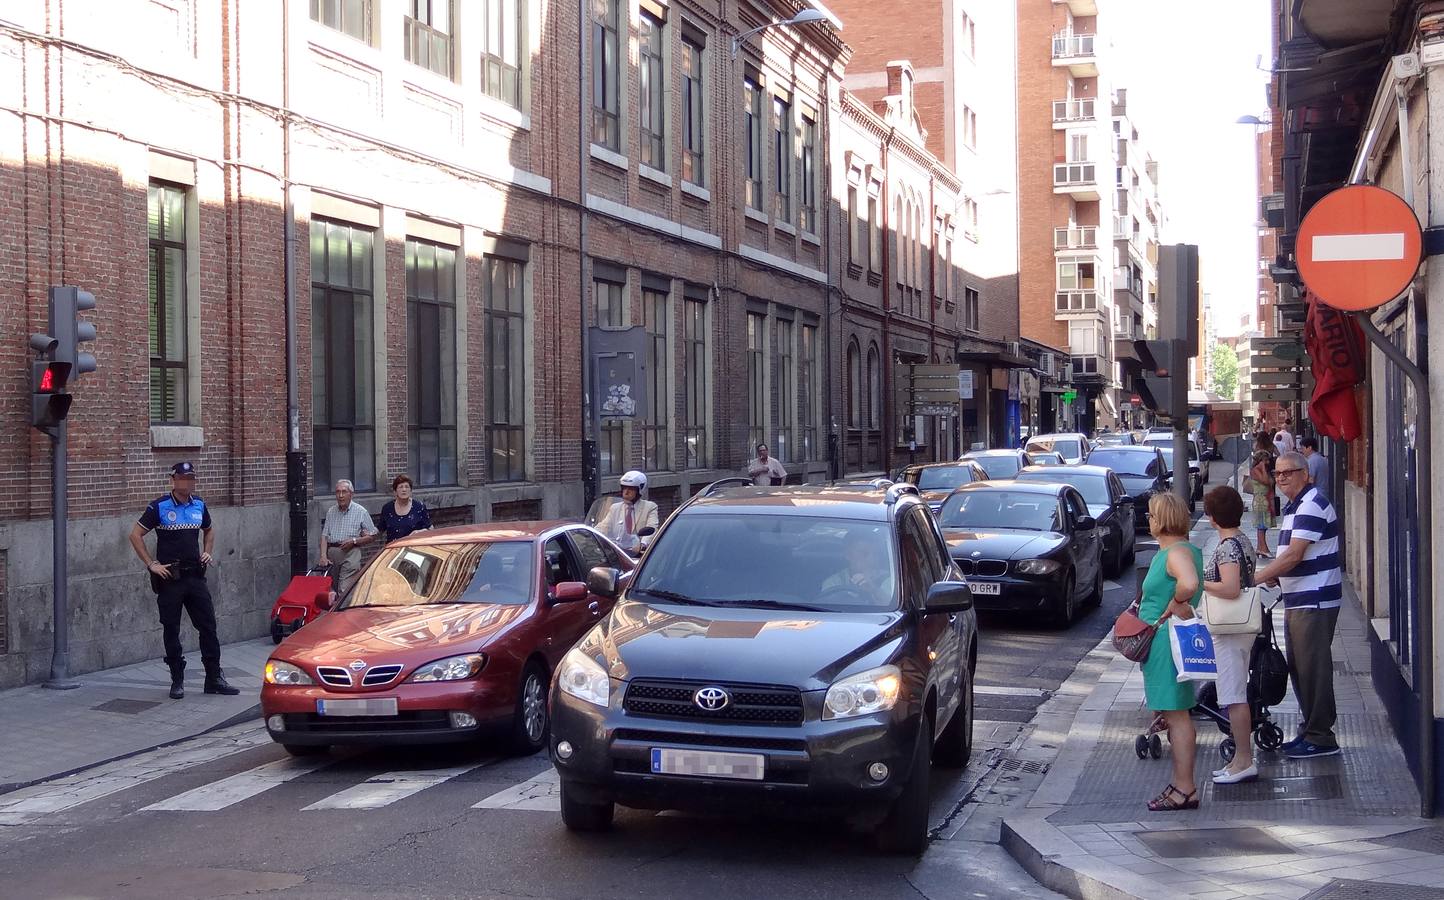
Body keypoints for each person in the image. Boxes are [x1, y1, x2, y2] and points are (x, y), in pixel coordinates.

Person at [1256, 451, 1343, 760]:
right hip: (1300, 599)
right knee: (1300, 668)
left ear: (1306, 475)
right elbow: (1293, 558)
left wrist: (1256, 578)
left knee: (1313, 669)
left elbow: (1293, 555)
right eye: (1277, 473)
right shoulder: (1295, 507)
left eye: (1288, 473)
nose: (1280, 478)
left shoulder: (1311, 504)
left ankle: (1321, 737)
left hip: (1314, 600)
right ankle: (1310, 730)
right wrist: (1277, 578)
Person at [127, 462, 240, 700]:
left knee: (208, 626)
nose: (188, 482)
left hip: (195, 576)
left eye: (191, 478)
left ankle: (213, 678)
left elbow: (209, 529)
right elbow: (135, 535)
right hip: (171, 578)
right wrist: (151, 564)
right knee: (172, 628)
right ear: (174, 480)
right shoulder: (159, 506)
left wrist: (208, 550)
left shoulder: (199, 504)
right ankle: (177, 679)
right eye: (183, 478)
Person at [1139, 491, 1205, 812]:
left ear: (1162, 520)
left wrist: (1176, 603)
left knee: (1178, 717)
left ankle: (1185, 787)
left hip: (1166, 640)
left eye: (1151, 516)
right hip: (1164, 641)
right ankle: (1182, 784)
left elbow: (1189, 583)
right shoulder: (1179, 550)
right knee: (1174, 714)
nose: (1148, 521)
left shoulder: (1175, 553)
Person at [1201, 485, 1259, 784]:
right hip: (1239, 627)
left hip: (1230, 629)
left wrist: (1201, 582)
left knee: (1234, 695)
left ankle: (1244, 761)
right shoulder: (1243, 540)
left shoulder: (1226, 547)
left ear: (1212, 518)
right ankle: (1238, 759)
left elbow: (1231, 588)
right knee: (1234, 692)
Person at [320, 479, 379, 595]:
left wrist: (354, 540)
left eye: (344, 492)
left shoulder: (361, 512)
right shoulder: (331, 511)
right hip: (332, 554)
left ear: (351, 494)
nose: (340, 495)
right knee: (332, 591)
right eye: (337, 492)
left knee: (344, 589)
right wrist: (323, 556)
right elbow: (324, 536)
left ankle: (345, 612)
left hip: (351, 553)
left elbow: (372, 535)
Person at [596, 470, 659, 554]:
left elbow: (652, 528)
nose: (626, 492)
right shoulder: (615, 508)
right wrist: (591, 534)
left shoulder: (649, 507)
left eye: (631, 489)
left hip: (637, 555)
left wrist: (643, 544)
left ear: (639, 490)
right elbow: (603, 527)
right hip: (616, 553)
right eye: (624, 488)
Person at [379, 474, 432, 543]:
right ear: (395, 491)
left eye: (407, 487)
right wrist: (369, 533)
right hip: (394, 548)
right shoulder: (387, 508)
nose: (404, 490)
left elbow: (430, 529)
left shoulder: (419, 507)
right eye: (400, 487)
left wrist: (419, 532)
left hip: (414, 548)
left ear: (411, 490)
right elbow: (380, 529)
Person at [1249, 432, 1277, 559]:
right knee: (1261, 525)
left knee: (1264, 525)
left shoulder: (1264, 470)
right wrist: (1263, 469)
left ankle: (1261, 548)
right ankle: (1262, 548)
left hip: (1266, 499)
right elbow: (1266, 481)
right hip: (1260, 499)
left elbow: (1271, 482)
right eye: (1265, 460)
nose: (1267, 462)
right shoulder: (1256, 470)